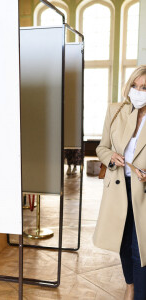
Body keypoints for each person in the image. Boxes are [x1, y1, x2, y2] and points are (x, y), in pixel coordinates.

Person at [94, 65, 146, 300]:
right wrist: (110, 157)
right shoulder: (116, 111)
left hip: (143, 193)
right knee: (124, 246)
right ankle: (130, 285)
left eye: (144, 87)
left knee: (140, 251)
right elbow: (101, 147)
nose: (138, 91)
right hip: (118, 190)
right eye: (134, 86)